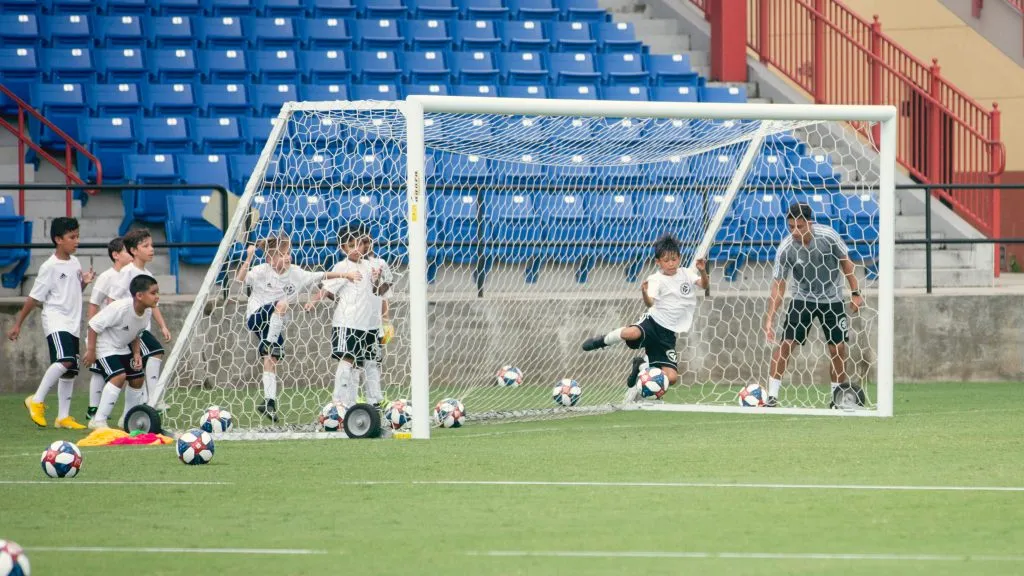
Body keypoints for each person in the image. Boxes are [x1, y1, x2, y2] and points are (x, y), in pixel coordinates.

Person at [236, 233, 357, 422]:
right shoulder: (261, 271)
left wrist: (346, 275)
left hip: (275, 324)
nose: (287, 257)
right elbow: (240, 278)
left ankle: (269, 402)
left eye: (288, 253)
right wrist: (249, 257)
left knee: (271, 360)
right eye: (282, 254)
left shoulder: (296, 273)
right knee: (282, 304)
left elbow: (322, 274)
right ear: (270, 258)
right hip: (257, 317)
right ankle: (269, 343)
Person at [581, 233, 708, 402]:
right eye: (666, 260)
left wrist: (702, 271)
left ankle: (642, 366)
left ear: (679, 258)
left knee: (671, 378)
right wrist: (644, 292)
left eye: (674, 259)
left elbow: (705, 286)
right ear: (658, 262)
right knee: (631, 333)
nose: (671, 263)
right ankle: (601, 341)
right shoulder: (655, 279)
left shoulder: (686, 274)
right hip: (653, 322)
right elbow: (650, 304)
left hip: (667, 334)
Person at [762, 202, 865, 408]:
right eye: (791, 227)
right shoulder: (786, 248)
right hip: (803, 298)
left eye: (799, 227)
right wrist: (770, 319)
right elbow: (778, 287)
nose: (795, 232)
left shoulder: (828, 237)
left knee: (838, 348)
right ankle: (772, 397)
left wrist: (855, 293)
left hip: (832, 298)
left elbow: (846, 263)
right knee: (785, 345)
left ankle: (838, 399)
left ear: (810, 223)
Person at [7, 217, 94, 429]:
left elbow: (71, 292)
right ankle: (36, 400)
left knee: (70, 370)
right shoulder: (49, 267)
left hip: (72, 322)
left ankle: (63, 417)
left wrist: (83, 283)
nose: (77, 241)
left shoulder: (74, 263)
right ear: (58, 239)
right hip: (56, 320)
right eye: (72, 237)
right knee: (64, 361)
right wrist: (18, 324)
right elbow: (34, 298)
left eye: (77, 236)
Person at [307, 224, 390, 408]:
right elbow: (326, 288)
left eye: (359, 244)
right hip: (348, 323)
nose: (355, 248)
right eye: (350, 245)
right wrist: (313, 301)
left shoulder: (371, 266)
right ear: (343, 248)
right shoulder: (342, 267)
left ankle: (373, 402)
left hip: (369, 326)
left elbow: (381, 292)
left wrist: (382, 279)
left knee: (370, 363)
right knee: (347, 361)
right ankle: (340, 403)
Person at [106, 228, 173, 408]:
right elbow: (112, 298)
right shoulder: (127, 272)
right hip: (130, 329)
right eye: (146, 246)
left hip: (142, 329)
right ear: (134, 250)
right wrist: (115, 323)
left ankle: (128, 415)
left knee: (136, 377)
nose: (151, 249)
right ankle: (155, 398)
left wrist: (163, 326)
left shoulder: (148, 275)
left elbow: (154, 305)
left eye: (152, 245)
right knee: (156, 351)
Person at [84, 274, 160, 430]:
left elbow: (136, 333)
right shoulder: (119, 308)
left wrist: (137, 353)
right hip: (103, 345)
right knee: (119, 376)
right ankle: (98, 420)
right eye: (153, 293)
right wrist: (91, 351)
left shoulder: (146, 312)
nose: (157, 297)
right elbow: (93, 326)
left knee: (138, 379)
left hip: (122, 346)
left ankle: (127, 418)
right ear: (139, 295)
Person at [85, 236, 133, 420]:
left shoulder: (130, 274)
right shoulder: (107, 277)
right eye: (126, 251)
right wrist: (92, 335)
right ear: (115, 255)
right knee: (98, 370)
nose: (130, 254)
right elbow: (93, 304)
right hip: (104, 331)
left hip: (123, 332)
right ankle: (93, 409)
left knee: (131, 371)